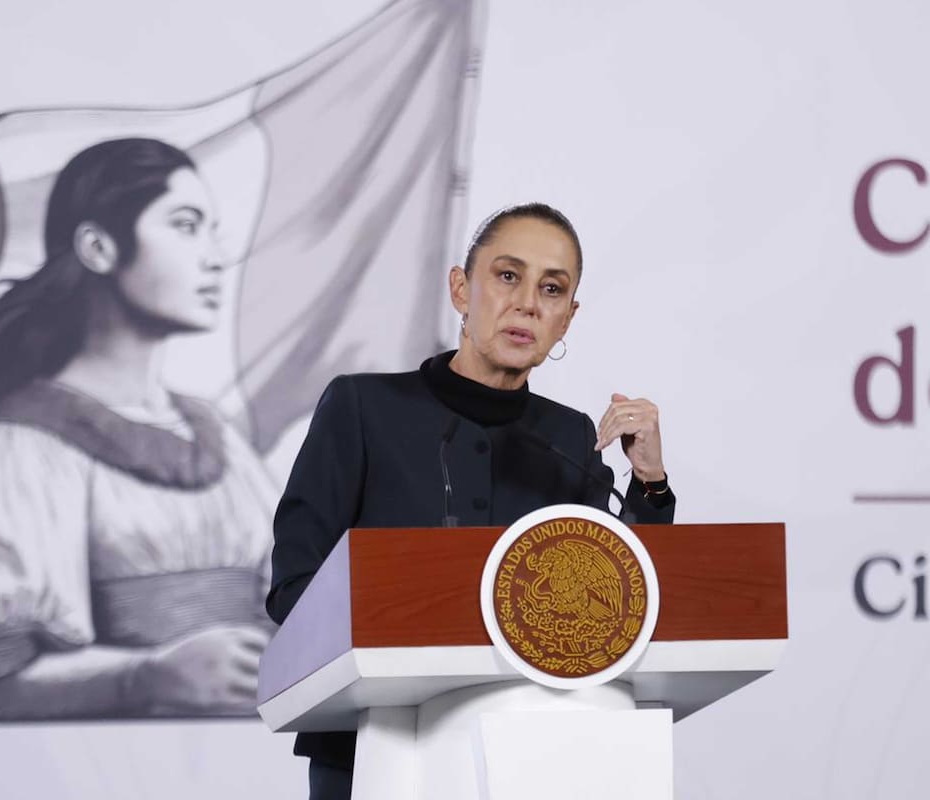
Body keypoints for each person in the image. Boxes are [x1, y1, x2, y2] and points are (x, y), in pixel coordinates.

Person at [266, 203, 676, 799]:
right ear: (461, 288)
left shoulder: (570, 440)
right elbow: (293, 592)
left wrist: (649, 481)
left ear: (567, 318)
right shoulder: (364, 409)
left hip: (535, 758)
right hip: (372, 751)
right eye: (507, 276)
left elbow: (622, 615)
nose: (528, 303)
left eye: (552, 288)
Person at [0, 138, 276, 722]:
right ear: (98, 247)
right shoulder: (24, 443)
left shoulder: (215, 435)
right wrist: (147, 677)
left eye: (212, 228)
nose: (216, 257)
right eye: (186, 225)